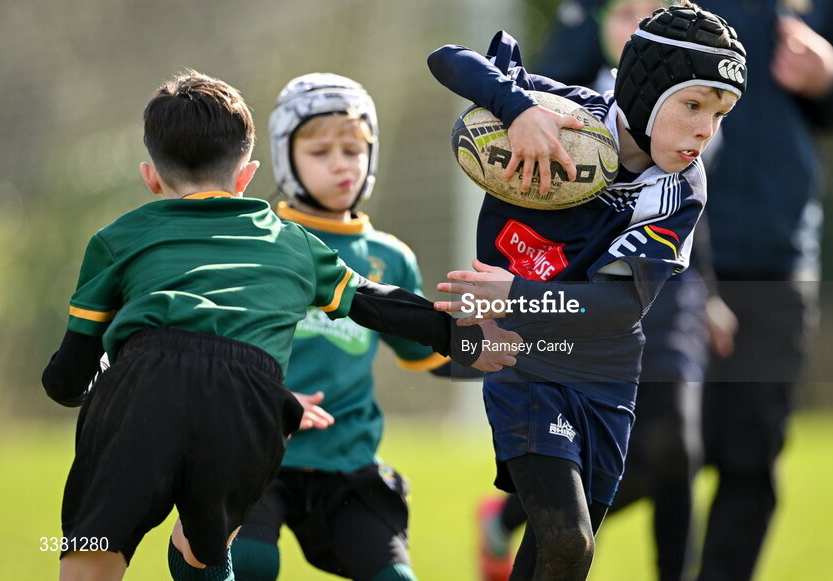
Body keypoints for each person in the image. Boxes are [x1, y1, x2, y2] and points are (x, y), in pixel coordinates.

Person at [41, 70, 520, 581]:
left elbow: (65, 379)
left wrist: (102, 391)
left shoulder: (115, 240)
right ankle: (193, 546)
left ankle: (179, 543)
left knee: (92, 559)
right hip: (246, 398)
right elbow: (376, 302)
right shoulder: (289, 240)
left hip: (138, 391)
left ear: (151, 177)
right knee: (212, 547)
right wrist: (466, 337)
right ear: (247, 176)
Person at [427, 0, 746, 581]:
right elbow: (449, 58)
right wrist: (517, 109)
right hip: (525, 358)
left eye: (720, 114)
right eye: (694, 105)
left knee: (562, 557)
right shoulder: (571, 112)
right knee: (566, 539)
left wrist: (513, 294)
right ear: (647, 91)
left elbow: (619, 305)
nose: (705, 131)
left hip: (604, 376)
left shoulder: (679, 188)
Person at [228, 73, 463, 581]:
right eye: (320, 152)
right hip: (256, 449)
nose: (342, 164)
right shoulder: (258, 243)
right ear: (286, 158)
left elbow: (429, 354)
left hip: (345, 459)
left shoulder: (390, 258)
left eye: (355, 149)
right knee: (247, 562)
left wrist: (514, 354)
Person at [683, 0, 833, 580]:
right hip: (672, 251)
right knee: (661, 450)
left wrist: (829, 77)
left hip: (780, 257)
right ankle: (519, 524)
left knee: (752, 457)